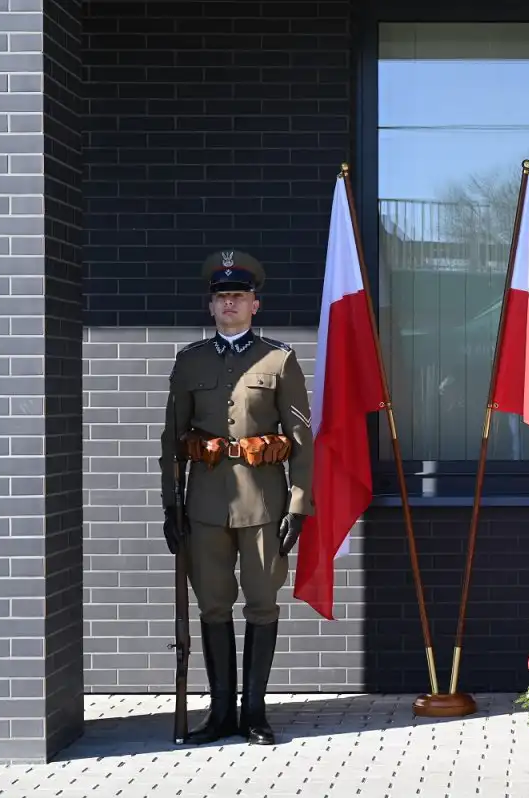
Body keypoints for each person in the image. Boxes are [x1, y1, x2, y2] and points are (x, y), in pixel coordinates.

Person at [159, 250, 315, 746]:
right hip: (204, 505)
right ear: (211, 306)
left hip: (264, 504)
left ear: (255, 303)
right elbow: (171, 442)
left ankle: (254, 714)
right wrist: (171, 505)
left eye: (238, 296)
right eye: (222, 297)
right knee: (213, 607)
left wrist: (298, 504)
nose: (230, 304)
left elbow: (302, 439)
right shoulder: (190, 362)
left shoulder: (278, 359)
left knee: (263, 605)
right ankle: (220, 712)